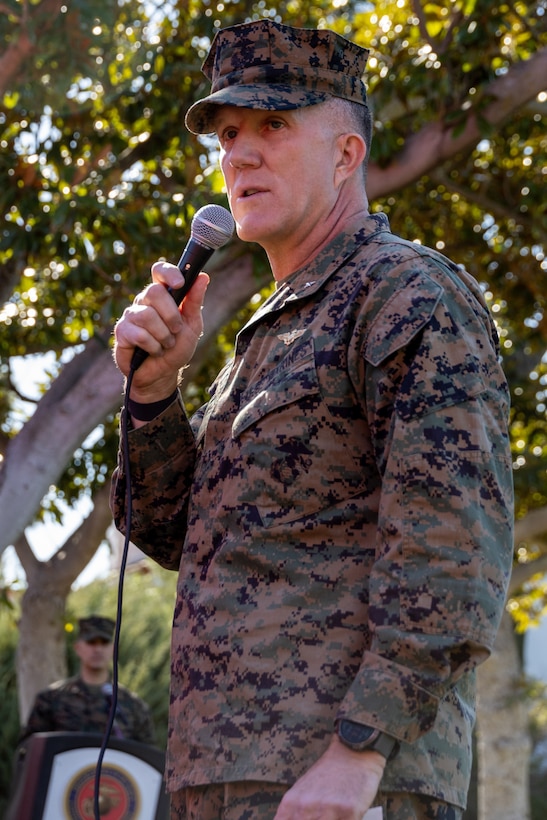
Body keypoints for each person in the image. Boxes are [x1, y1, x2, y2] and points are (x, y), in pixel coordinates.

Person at [110, 19, 514, 820]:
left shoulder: (404, 294)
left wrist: (359, 751)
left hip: (345, 785)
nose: (239, 154)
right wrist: (155, 392)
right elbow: (176, 539)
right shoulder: (269, 333)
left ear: (345, 154)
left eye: (273, 126)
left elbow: (452, 546)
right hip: (224, 780)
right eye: (228, 134)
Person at [20, 615, 155, 746]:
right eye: (91, 642)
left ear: (114, 649)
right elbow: (31, 749)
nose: (98, 649)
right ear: (77, 648)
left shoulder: (132, 705)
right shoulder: (51, 699)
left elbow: (146, 754)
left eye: (104, 643)